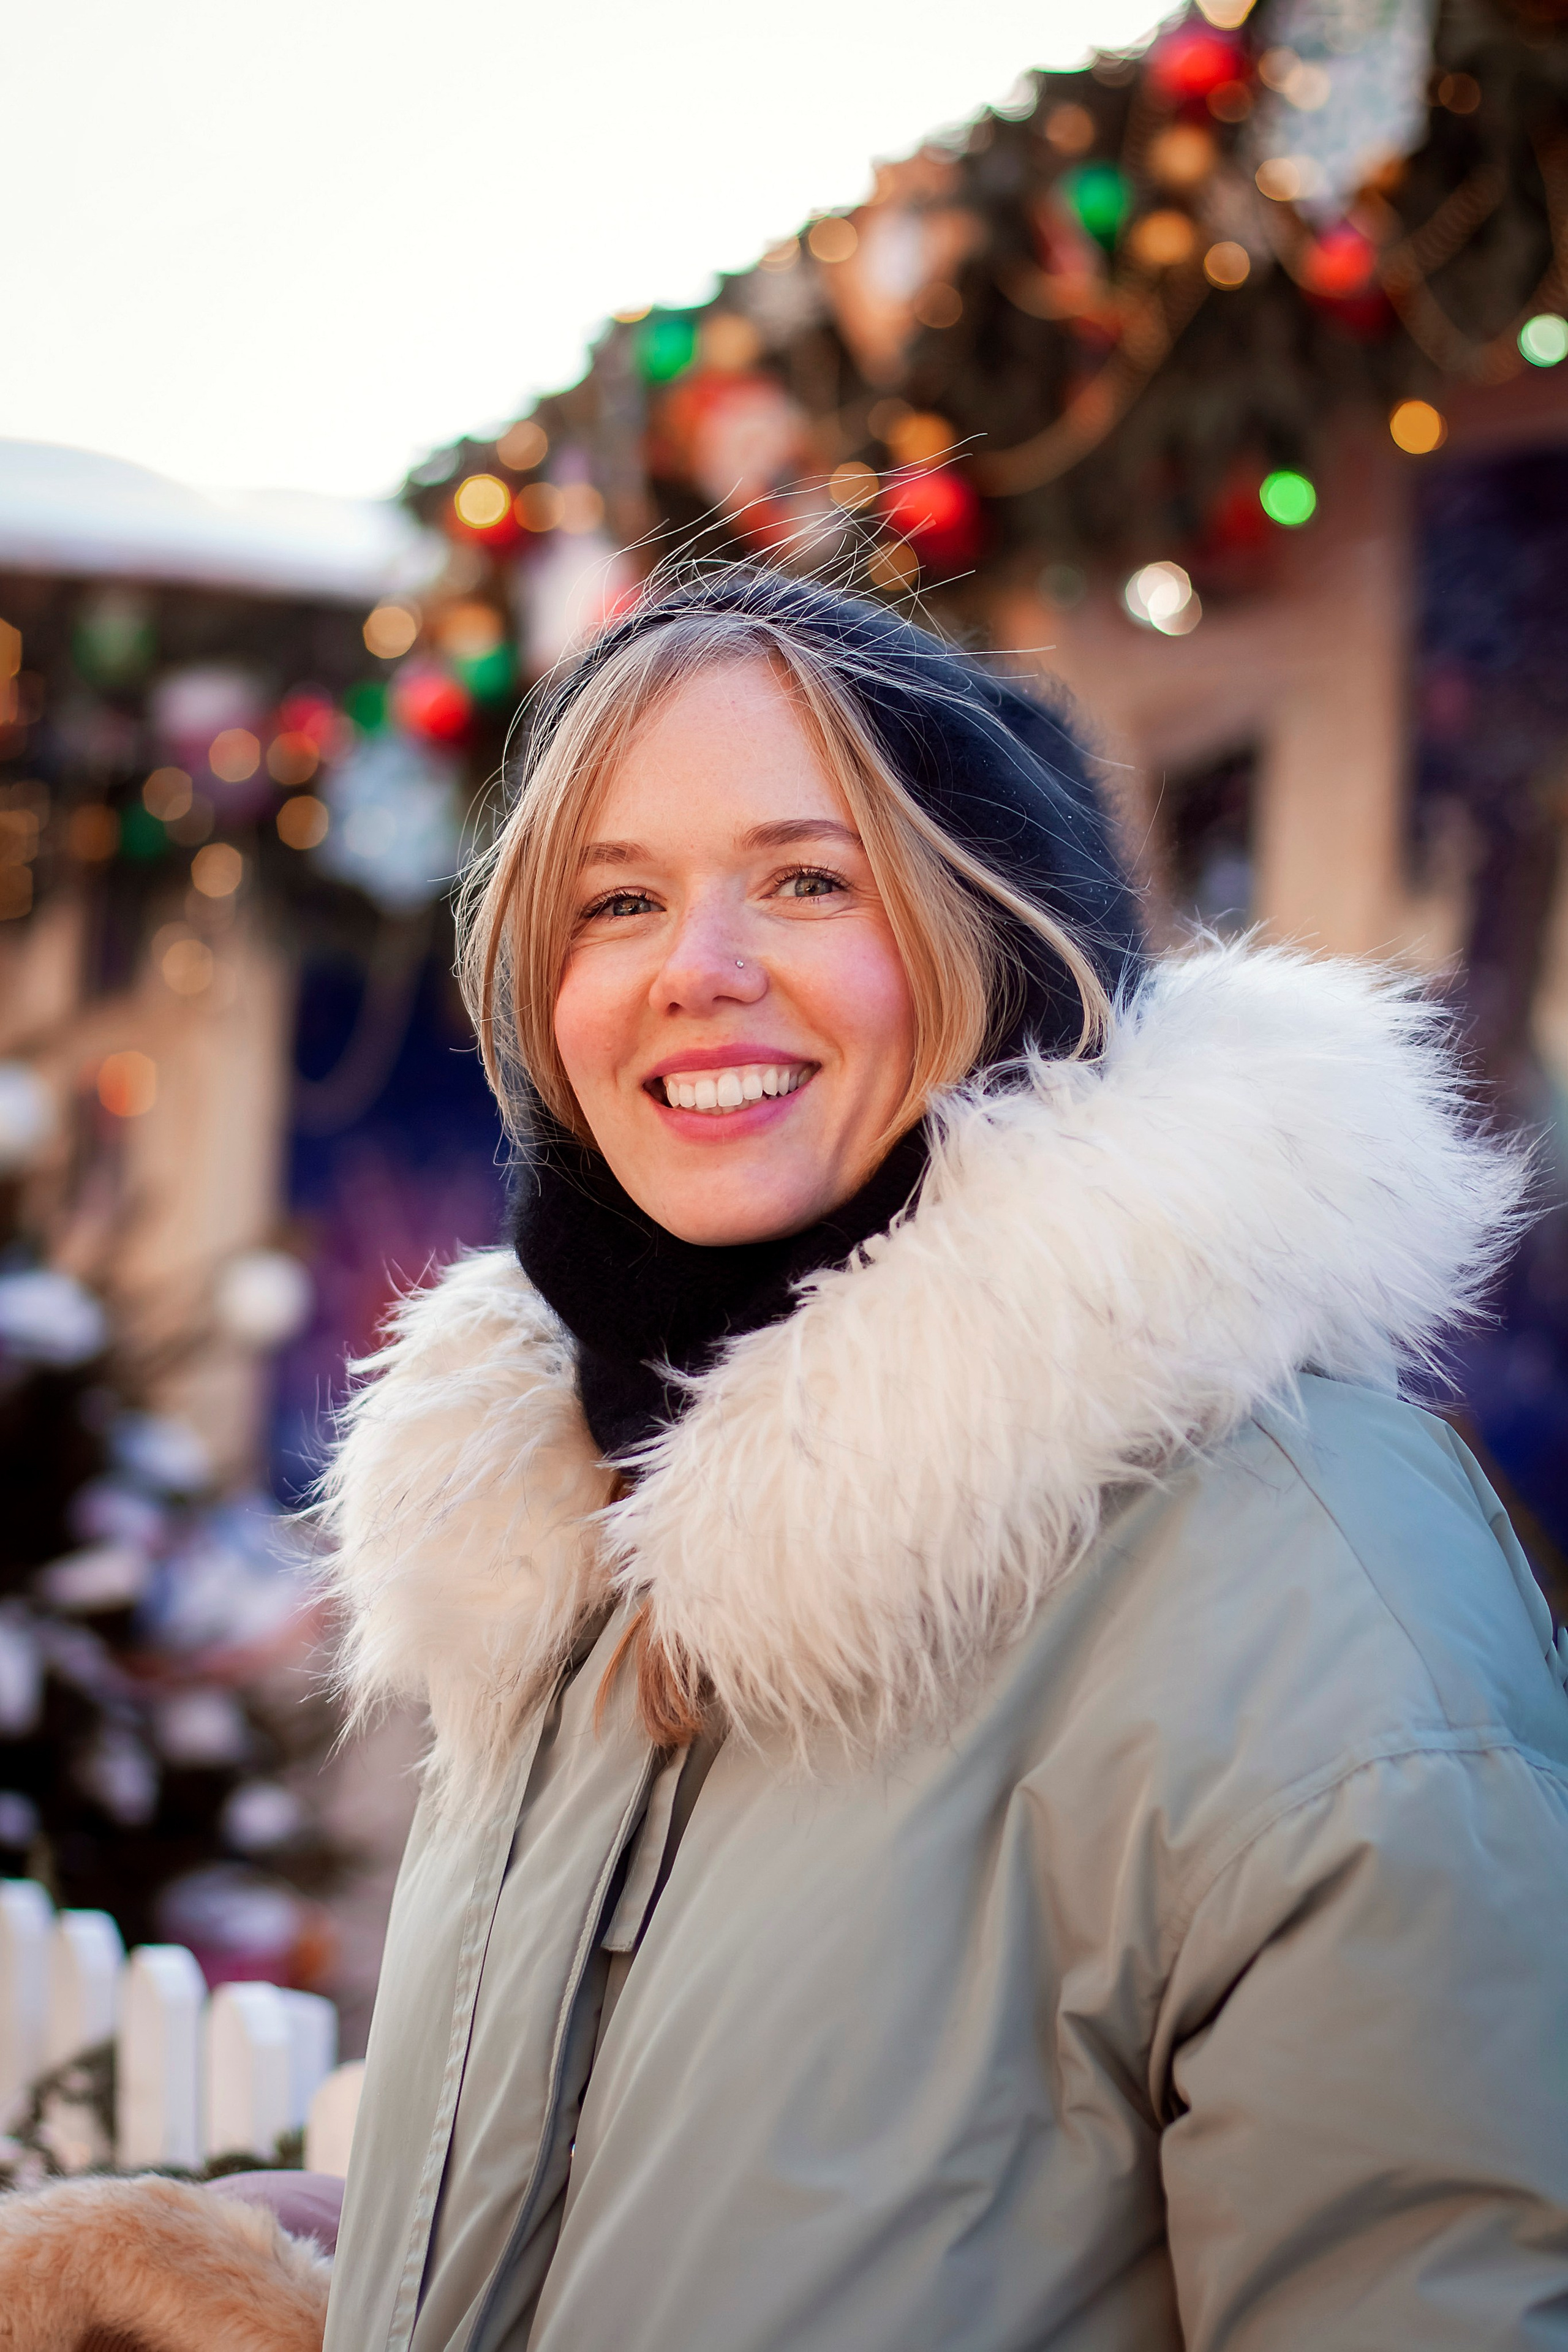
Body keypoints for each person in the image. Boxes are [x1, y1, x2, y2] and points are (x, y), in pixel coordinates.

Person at [9, 564, 1561, 2349]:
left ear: (1000, 942)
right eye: (618, 903)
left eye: (809, 881)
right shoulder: (572, 1536)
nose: (701, 973)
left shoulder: (1295, 1567)